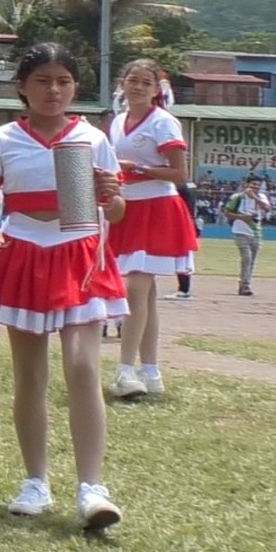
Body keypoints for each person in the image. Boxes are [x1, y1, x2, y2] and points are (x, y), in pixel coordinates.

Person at [0, 43, 128, 531]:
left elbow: (116, 210)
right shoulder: (1, 139)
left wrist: (111, 197)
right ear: (22, 87)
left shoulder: (92, 138)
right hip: (23, 252)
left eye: (63, 81)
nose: (53, 90)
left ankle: (91, 488)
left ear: (75, 86)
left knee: (83, 366)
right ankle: (35, 482)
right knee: (30, 375)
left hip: (79, 254)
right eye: (42, 80)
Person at [108, 59, 196, 397]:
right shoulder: (118, 121)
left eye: (146, 83)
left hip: (157, 207)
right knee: (146, 294)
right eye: (133, 80)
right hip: (127, 208)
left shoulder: (163, 122)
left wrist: (140, 168)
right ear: (123, 83)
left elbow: (180, 174)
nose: (138, 87)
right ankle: (151, 371)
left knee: (135, 288)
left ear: (157, 89)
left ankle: (125, 369)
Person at [223, 176, 270, 296]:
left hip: (256, 232)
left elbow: (267, 208)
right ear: (246, 185)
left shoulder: (261, 197)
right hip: (240, 232)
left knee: (252, 261)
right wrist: (242, 217)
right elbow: (227, 212)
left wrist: (254, 197)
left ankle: (245, 284)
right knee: (247, 258)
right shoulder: (237, 197)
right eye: (253, 184)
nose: (256, 187)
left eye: (258, 185)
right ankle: (245, 286)